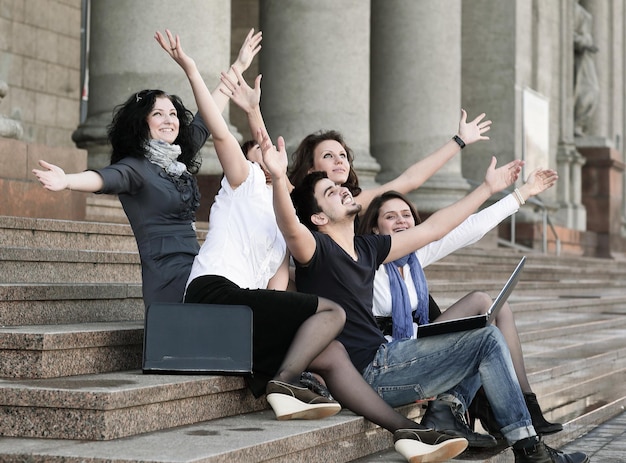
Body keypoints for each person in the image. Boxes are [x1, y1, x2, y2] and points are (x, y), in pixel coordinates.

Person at [177, 38, 472, 463]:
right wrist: (202, 73)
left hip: (245, 310)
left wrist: (456, 143)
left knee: (331, 349)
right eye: (260, 150)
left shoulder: (294, 218)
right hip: (213, 292)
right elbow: (227, 132)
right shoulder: (242, 182)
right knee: (331, 312)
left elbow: (278, 284)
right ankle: (285, 383)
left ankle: (407, 433)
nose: (266, 152)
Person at [257, 126, 588, 463]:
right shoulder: (316, 250)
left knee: (481, 329)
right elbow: (290, 225)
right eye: (330, 192)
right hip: (370, 371)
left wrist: (489, 189)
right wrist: (279, 176)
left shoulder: (368, 248)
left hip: (389, 358)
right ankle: (531, 452)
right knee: (486, 339)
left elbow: (434, 228)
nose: (342, 190)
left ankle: (495, 432)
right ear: (318, 216)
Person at [31, 29, 263, 309]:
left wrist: (238, 66)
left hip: (199, 266)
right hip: (169, 279)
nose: (169, 120)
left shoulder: (178, 160)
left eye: (173, 114)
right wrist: (66, 180)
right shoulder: (136, 168)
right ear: (142, 124)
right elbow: (102, 178)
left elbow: (208, 114)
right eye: (158, 114)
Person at [358, 183, 563, 446]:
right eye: (390, 216)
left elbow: (469, 229)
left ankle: (525, 404)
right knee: (484, 337)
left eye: (406, 214)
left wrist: (519, 196)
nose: (401, 220)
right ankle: (493, 421)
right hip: (391, 358)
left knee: (489, 308)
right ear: (375, 228)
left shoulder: (414, 258)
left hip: (414, 343)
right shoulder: (366, 261)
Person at [212, 61, 491, 216]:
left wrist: (459, 141)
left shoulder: (356, 199)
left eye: (343, 156)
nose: (339, 161)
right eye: (328, 156)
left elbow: (409, 180)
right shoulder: (297, 195)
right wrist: (252, 111)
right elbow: (269, 148)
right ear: (310, 169)